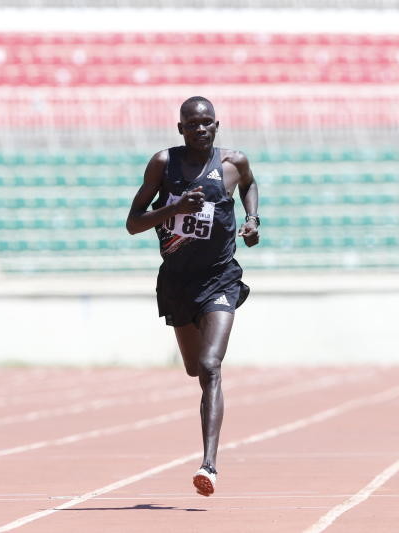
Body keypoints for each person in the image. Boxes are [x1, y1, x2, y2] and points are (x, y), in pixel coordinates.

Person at [126, 96, 260, 496]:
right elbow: (133, 223)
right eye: (192, 124)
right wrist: (175, 208)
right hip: (178, 283)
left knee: (210, 365)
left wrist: (252, 219)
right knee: (193, 369)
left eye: (207, 123)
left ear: (217, 125)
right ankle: (208, 454)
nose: (200, 129)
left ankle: (209, 465)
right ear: (180, 129)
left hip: (220, 278)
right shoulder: (163, 164)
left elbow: (250, 185)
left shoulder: (234, 162)